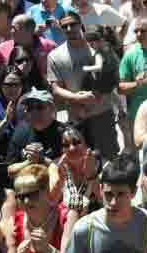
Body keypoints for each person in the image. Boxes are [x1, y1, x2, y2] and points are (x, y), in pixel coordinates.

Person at [64, 154, 147, 253]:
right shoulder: (84, 229)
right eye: (109, 194)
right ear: (101, 190)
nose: (113, 202)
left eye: (121, 194)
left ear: (133, 192)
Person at [47, 12, 119, 160]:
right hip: (77, 118)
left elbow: (114, 77)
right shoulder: (55, 55)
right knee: (83, 161)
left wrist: (100, 93)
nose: (69, 28)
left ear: (80, 24)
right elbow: (55, 88)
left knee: (110, 159)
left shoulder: (98, 47)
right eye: (64, 26)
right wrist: (76, 98)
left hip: (103, 113)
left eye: (72, 24)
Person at [6, 89, 66, 177]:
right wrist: (30, 161)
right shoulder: (21, 132)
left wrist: (42, 159)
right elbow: (10, 170)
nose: (34, 112)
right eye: (30, 108)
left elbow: (68, 168)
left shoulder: (64, 133)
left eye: (40, 107)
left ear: (52, 109)